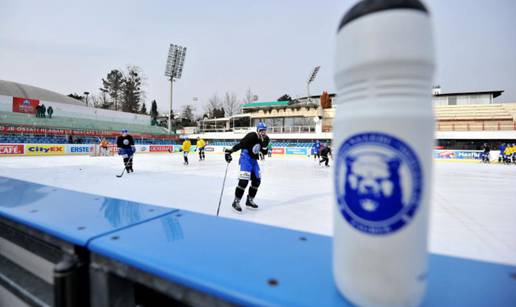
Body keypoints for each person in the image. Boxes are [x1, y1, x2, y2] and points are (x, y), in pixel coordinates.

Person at [224, 122, 270, 213]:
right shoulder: (252, 135)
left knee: (257, 181)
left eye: (264, 131)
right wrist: (229, 151)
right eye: (261, 131)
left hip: (253, 161)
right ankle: (236, 202)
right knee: (244, 182)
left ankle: (249, 200)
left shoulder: (265, 139)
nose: (263, 133)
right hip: (246, 158)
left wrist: (264, 145)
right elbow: (242, 144)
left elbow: (264, 152)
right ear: (257, 130)